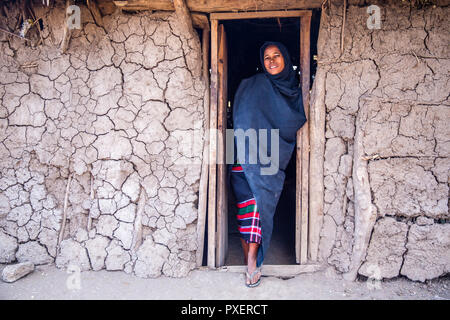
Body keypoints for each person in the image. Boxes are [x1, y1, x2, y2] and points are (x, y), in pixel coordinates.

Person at [230, 41, 307, 287]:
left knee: (259, 212)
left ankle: (252, 262)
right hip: (244, 160)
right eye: (266, 57)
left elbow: (293, 122)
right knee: (247, 213)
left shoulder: (294, 91)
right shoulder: (252, 86)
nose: (271, 61)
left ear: (286, 58)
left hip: (269, 164)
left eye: (276, 56)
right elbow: (240, 117)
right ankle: (251, 263)